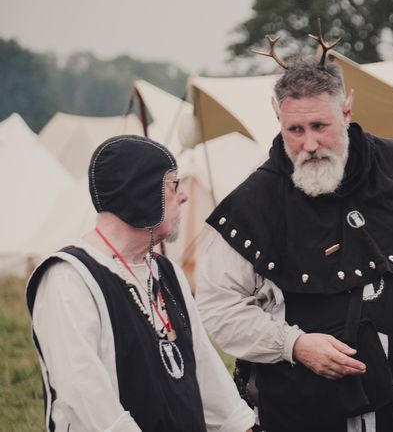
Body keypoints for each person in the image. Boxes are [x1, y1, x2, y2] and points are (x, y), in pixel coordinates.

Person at [195, 52, 393, 432]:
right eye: (295, 130)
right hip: (303, 413)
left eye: (319, 126)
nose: (309, 143)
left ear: (346, 110)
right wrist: (293, 345)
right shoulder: (253, 205)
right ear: (277, 115)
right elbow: (219, 306)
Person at [26, 135, 255, 432]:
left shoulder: (166, 271)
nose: (183, 196)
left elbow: (203, 365)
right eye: (173, 185)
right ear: (142, 194)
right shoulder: (69, 278)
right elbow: (85, 396)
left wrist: (241, 426)